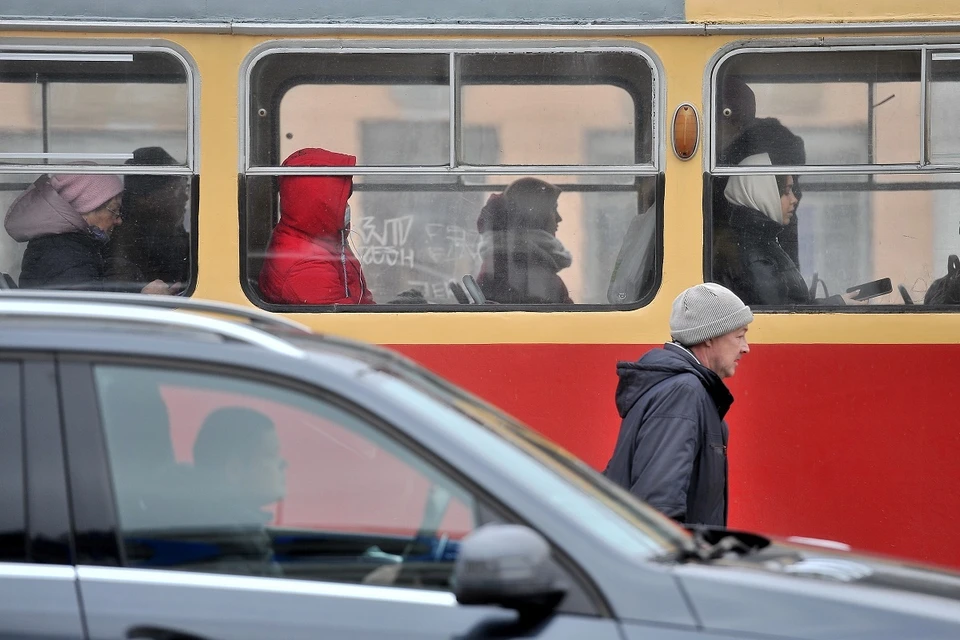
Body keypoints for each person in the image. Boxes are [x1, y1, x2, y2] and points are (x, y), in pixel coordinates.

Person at [603, 283, 753, 527]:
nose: (746, 347)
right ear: (709, 337)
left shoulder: (680, 387)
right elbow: (659, 505)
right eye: (739, 335)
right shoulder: (683, 393)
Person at [4, 171, 175, 293]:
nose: (119, 220)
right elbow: (88, 319)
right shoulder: (62, 254)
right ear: (84, 210)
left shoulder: (73, 246)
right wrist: (146, 299)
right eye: (114, 210)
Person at [258, 147, 374, 305]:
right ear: (320, 204)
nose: (346, 207)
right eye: (340, 201)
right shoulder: (307, 267)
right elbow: (347, 321)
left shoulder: (319, 238)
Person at [192, 407, 287, 576]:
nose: (283, 464)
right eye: (271, 455)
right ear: (235, 470)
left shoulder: (242, 538)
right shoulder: (232, 563)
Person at [712, 153, 809, 305]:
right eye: (786, 191)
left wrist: (837, 302)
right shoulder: (754, 254)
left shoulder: (761, 239)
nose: (794, 199)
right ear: (764, 193)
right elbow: (780, 314)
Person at [475, 177, 573, 304]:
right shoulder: (528, 270)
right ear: (536, 216)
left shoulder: (507, 263)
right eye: (553, 209)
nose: (559, 219)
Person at [108, 146, 190, 288]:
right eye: (177, 189)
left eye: (186, 187)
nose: (185, 196)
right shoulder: (127, 243)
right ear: (147, 198)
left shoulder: (169, 228)